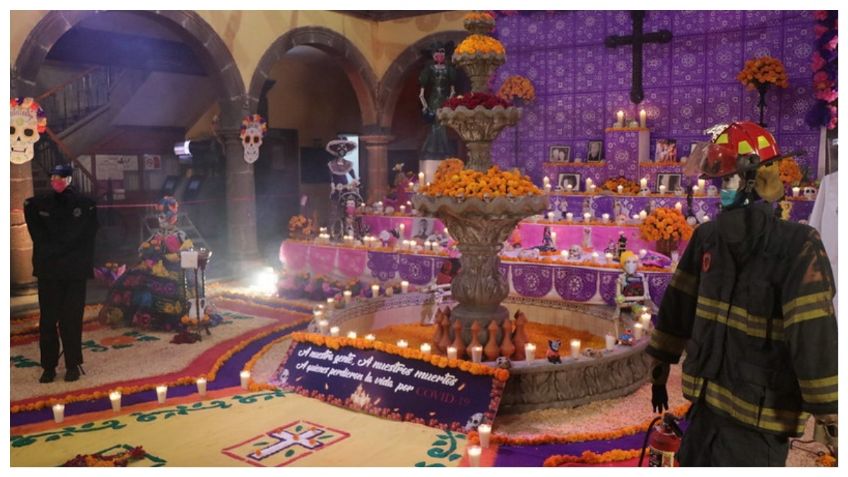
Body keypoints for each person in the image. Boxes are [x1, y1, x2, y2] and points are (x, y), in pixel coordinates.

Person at [647, 122, 838, 466]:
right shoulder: (709, 238)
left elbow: (811, 334)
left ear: (756, 181)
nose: (721, 189)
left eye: (729, 180)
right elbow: (679, 305)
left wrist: (829, 412)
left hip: (757, 420)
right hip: (716, 410)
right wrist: (661, 366)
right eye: (720, 181)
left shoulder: (794, 246)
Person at [24, 163, 99, 383]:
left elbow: (88, 235)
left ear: (69, 179)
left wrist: (60, 248)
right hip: (49, 271)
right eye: (53, 177)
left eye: (61, 177)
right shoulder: (39, 204)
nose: (56, 181)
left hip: (74, 271)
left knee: (71, 320)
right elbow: (36, 229)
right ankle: (48, 366)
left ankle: (73, 364)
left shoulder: (85, 205)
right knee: (48, 321)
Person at [99, 196, 195, 332]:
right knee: (130, 279)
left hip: (172, 271)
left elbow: (187, 254)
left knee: (156, 286)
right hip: (152, 268)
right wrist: (151, 252)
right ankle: (125, 314)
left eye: (165, 216)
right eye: (160, 217)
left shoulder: (181, 235)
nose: (162, 220)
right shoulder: (156, 235)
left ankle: (147, 317)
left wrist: (166, 257)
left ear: (174, 217)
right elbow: (142, 250)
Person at [418, 41, 457, 181]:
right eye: (437, 55)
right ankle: (433, 149)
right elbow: (422, 90)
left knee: (442, 126)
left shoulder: (449, 70)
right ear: (434, 56)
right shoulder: (430, 70)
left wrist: (449, 102)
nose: (440, 57)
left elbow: (453, 88)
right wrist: (424, 105)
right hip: (434, 99)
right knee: (435, 125)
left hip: (444, 99)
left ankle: (443, 149)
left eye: (442, 55)